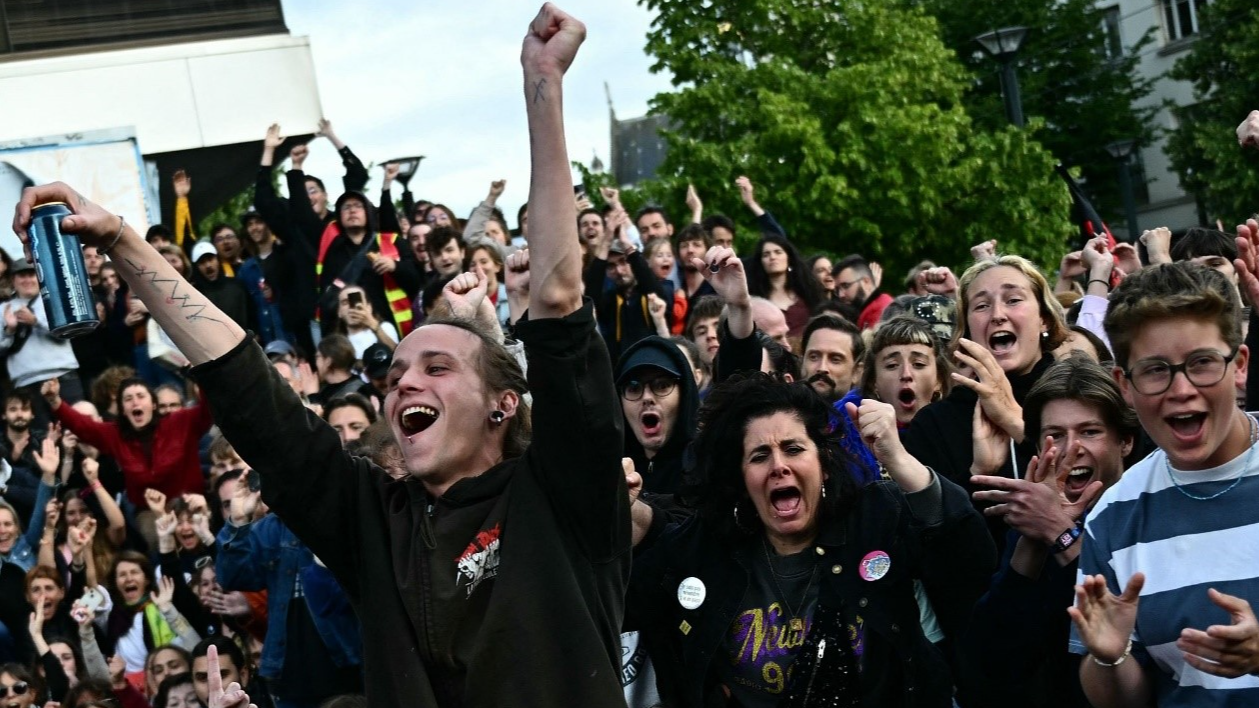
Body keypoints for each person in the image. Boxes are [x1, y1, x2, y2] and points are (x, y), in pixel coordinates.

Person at [11, 5, 628, 705]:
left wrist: (541, 83)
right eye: (394, 376)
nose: (402, 386)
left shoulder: (563, 494)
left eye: (435, 367)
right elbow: (247, 383)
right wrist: (123, 241)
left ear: (502, 404)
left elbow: (555, 301)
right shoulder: (371, 520)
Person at [627, 372, 995, 706]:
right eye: (759, 456)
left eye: (793, 448)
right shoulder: (708, 546)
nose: (778, 466)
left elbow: (970, 562)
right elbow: (621, 599)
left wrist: (899, 460)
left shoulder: (874, 517)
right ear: (741, 481)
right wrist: (620, 517)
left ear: (823, 464)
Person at [1069, 260, 1259, 706]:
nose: (1181, 389)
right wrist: (1110, 658)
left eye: (1201, 363)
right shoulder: (1113, 515)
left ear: (1240, 365)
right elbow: (1122, 699)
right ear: (1125, 386)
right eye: (1156, 370)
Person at [959, 354, 1138, 708]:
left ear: (1125, 441)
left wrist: (1061, 534)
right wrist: (1032, 539)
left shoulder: (1146, 513)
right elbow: (990, 663)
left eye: (1090, 431)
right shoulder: (1034, 521)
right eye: (1055, 435)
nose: (1072, 449)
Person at [901, 255, 1069, 546]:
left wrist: (1018, 425)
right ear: (966, 331)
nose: (997, 315)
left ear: (1044, 317)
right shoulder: (934, 424)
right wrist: (977, 476)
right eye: (981, 305)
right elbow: (927, 545)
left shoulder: (1083, 394)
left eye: (1013, 299)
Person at [858, 315, 952, 427]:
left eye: (919, 364)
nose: (906, 374)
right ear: (873, 382)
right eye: (892, 365)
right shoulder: (840, 436)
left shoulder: (964, 432)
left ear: (939, 380)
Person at [745, 234, 825, 337]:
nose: (772, 257)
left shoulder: (808, 291)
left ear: (789, 257)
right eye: (766, 254)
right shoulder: (754, 299)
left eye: (778, 252)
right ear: (761, 262)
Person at [833, 254, 893, 330]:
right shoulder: (880, 305)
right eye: (837, 290)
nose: (841, 295)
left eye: (846, 286)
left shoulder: (877, 313)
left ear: (866, 281)